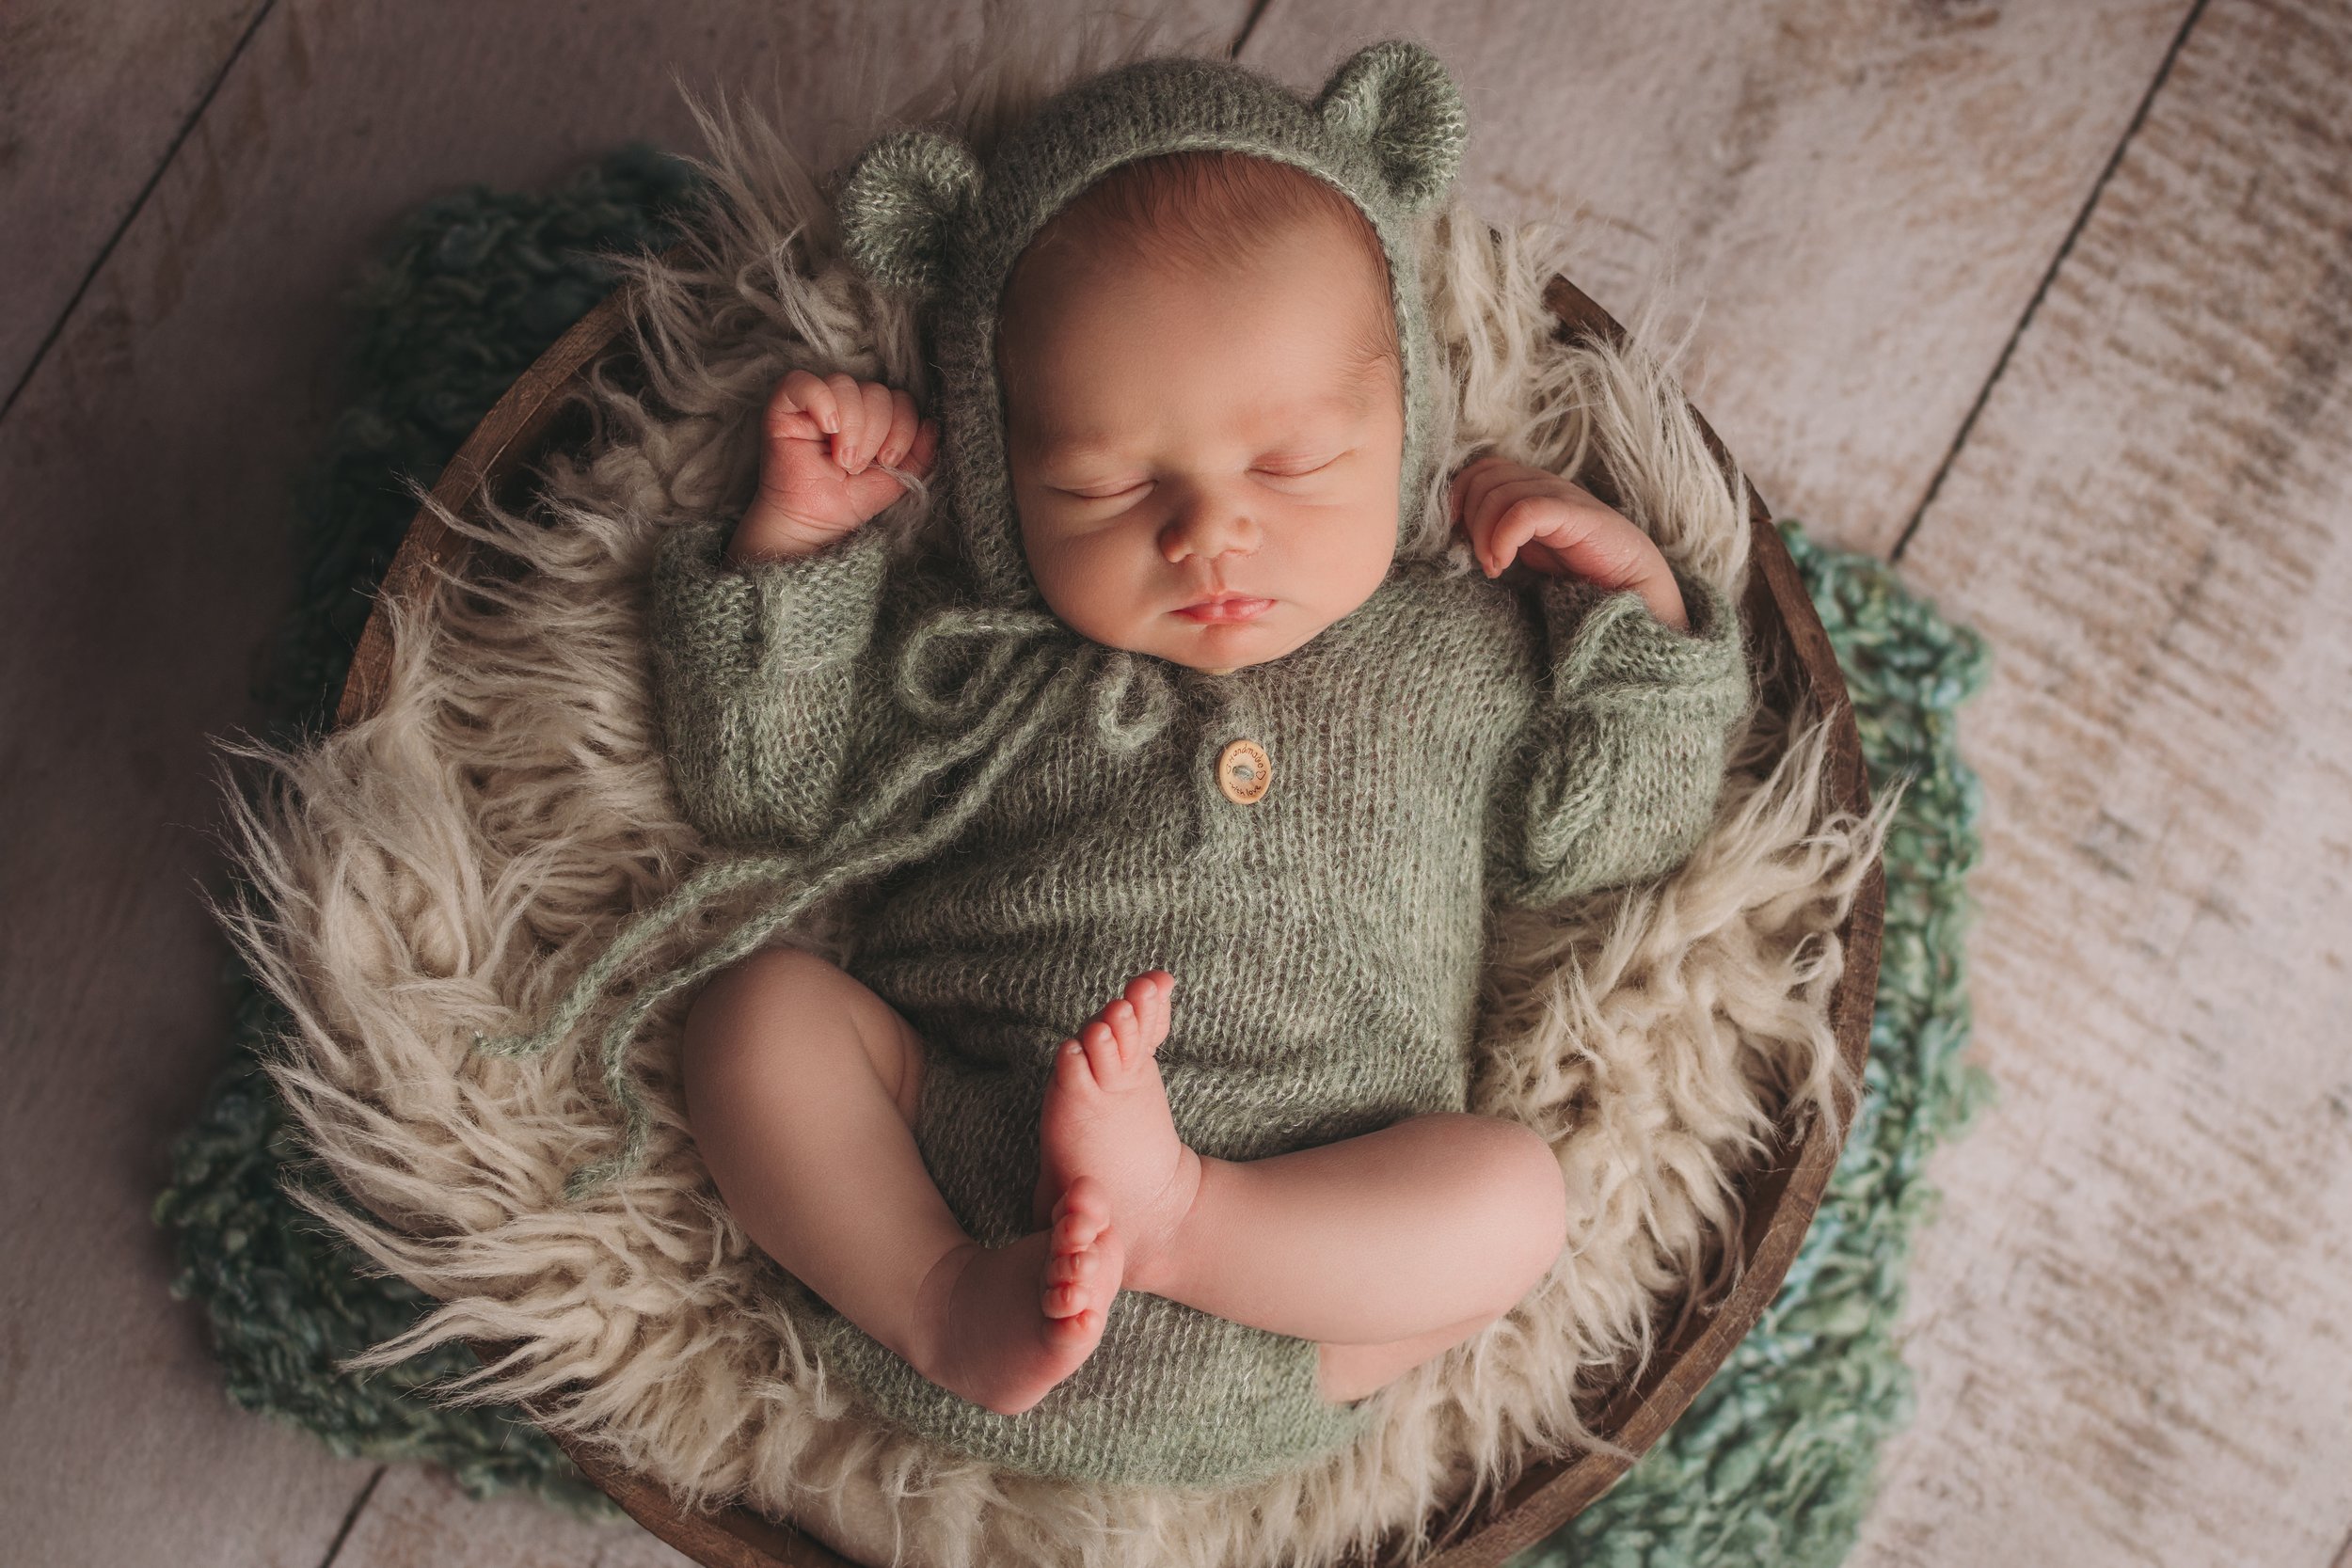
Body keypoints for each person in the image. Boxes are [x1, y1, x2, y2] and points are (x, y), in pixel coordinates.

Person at [504, 41, 1749, 1487]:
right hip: (972, 1210)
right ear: (992, 470)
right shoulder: (964, 654)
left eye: (1290, 468)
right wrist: (795, 553)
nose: (1208, 535)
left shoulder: (1462, 645)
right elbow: (761, 792)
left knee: (1512, 1193)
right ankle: (925, 1299)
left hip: (1318, 1275)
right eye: (1103, 484)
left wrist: (1637, 614)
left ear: (1406, 421)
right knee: (754, 1018)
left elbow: (1611, 839)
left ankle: (1191, 1218)